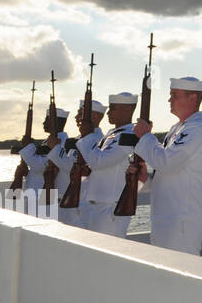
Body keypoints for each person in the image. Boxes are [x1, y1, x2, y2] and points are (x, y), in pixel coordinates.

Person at [133, 76, 202, 255]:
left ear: (192, 98)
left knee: (183, 277)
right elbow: (169, 174)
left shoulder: (197, 128)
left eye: (174, 95)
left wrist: (146, 136)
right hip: (168, 218)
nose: (169, 100)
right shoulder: (179, 128)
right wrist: (146, 179)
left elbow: (166, 163)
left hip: (182, 221)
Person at [76, 92, 139, 239]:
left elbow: (99, 161)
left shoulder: (130, 134)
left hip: (111, 208)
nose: (109, 112)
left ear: (128, 109)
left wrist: (86, 136)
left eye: (113, 108)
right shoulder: (113, 133)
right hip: (96, 206)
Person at [47, 98, 106, 228]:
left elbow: (71, 167)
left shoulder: (95, 139)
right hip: (69, 200)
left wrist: (55, 148)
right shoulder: (82, 139)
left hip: (79, 204)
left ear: (94, 116)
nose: (76, 117)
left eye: (81, 113)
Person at [17, 105, 70, 218]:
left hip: (45, 197)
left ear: (56, 123)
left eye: (47, 120)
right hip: (36, 195)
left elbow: (40, 166)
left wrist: (27, 147)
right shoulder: (48, 141)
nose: (43, 123)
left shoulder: (61, 142)